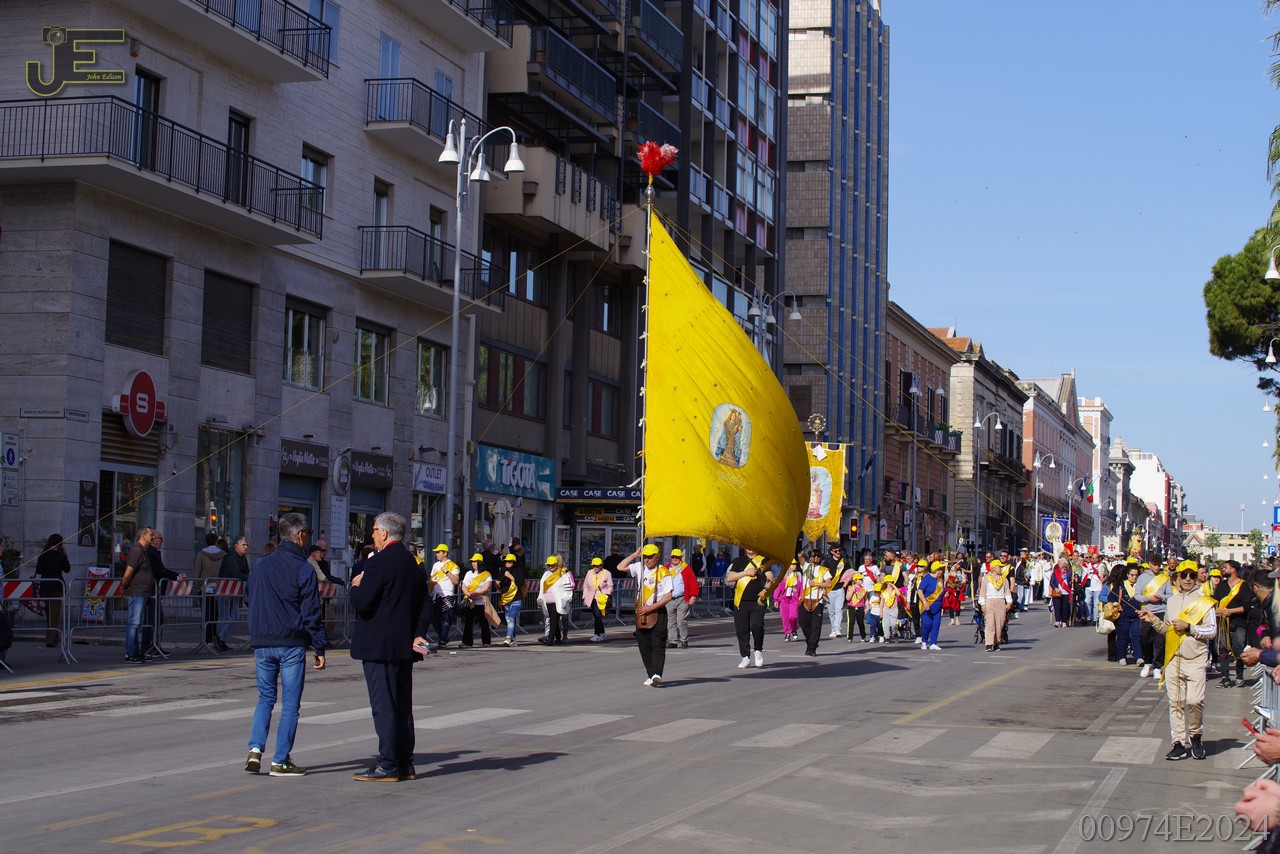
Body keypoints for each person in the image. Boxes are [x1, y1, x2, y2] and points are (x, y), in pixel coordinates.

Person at [244, 512, 327, 777]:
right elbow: (311, 612)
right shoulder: (303, 568)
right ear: (300, 536)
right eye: (308, 534)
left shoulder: (260, 564)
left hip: (262, 641)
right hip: (290, 641)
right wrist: (320, 647)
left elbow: (248, 597)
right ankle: (280, 760)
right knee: (290, 704)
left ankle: (255, 749)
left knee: (265, 698)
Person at [352, 511, 428, 782]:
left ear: (384, 533)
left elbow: (363, 602)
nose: (372, 534)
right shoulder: (412, 564)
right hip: (403, 645)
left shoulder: (378, 562)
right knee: (402, 705)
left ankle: (387, 763)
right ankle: (405, 762)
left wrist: (355, 586)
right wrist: (417, 634)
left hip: (378, 645)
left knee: (383, 705)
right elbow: (425, 605)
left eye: (374, 530)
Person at [1139, 562, 1216, 761]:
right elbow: (1167, 628)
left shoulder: (1205, 601)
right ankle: (1178, 742)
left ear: (1197, 578)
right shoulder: (1172, 602)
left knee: (1194, 701)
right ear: (1178, 578)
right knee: (1176, 703)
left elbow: (1212, 631)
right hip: (1174, 659)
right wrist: (1152, 619)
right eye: (1184, 575)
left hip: (1196, 659)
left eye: (1192, 575)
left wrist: (1190, 628)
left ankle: (1195, 735)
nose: (1188, 579)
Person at [618, 543, 683, 685]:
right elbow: (620, 567)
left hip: (658, 612)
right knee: (644, 645)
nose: (646, 560)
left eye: (649, 557)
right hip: (641, 612)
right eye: (645, 557)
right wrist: (635, 555)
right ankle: (651, 674)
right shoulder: (639, 567)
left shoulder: (664, 572)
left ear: (657, 557)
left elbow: (667, 596)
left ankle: (657, 674)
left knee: (657, 644)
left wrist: (651, 607)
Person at [727, 548, 773, 668]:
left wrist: (765, 590)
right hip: (740, 601)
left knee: (757, 626)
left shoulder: (763, 560)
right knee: (741, 629)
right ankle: (745, 657)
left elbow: (770, 577)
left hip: (757, 601)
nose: (749, 547)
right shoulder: (738, 561)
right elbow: (730, 578)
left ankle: (758, 650)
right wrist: (746, 573)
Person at [1214, 559, 1254, 688]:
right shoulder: (1221, 586)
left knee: (1238, 649)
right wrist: (1217, 610)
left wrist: (1231, 611)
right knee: (1223, 650)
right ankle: (1225, 678)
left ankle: (1239, 675)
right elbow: (1215, 601)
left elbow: (1246, 607)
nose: (1223, 569)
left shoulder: (1243, 586)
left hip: (1239, 623)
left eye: (1225, 567)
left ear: (1233, 570)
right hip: (1223, 624)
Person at [120, 527, 155, 664]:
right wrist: (123, 587)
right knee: (134, 623)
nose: (153, 537)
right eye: (151, 534)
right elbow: (128, 573)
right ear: (143, 536)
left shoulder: (143, 551)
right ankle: (130, 653)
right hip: (137, 592)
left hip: (142, 592)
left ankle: (136, 651)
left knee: (136, 623)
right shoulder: (136, 551)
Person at [1135, 561, 1171, 680]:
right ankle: (1148, 662)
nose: (1157, 567)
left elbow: (1170, 595)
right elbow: (1137, 595)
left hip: (1161, 611)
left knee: (1159, 641)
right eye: (1155, 564)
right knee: (1145, 639)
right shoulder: (1142, 577)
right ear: (1150, 564)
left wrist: (1162, 597)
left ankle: (1157, 666)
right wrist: (1148, 598)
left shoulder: (1164, 578)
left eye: (1158, 565)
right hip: (1146, 611)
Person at [34, 534, 70, 648]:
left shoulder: (43, 555)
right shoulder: (60, 555)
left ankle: (55, 639)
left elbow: (39, 571)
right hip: (57, 587)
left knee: (49, 614)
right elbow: (67, 569)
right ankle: (50, 640)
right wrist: (65, 556)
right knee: (54, 614)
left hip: (45, 587)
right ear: (60, 543)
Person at [194, 532, 227, 648]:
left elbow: (197, 570)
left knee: (206, 615)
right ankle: (214, 637)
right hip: (218, 587)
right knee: (215, 614)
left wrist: (196, 585)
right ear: (216, 541)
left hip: (205, 587)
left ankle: (207, 639)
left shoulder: (201, 554)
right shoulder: (223, 554)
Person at [217, 536, 250, 650]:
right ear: (236, 546)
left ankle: (220, 637)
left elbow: (246, 572)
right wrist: (249, 577)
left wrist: (248, 576)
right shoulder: (230, 557)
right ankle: (220, 640)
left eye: (247, 545)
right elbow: (237, 573)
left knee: (235, 615)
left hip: (234, 590)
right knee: (224, 616)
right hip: (225, 590)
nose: (246, 547)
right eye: (243, 545)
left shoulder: (243, 558)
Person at [797, 555, 832, 656]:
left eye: (818, 556)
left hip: (817, 600)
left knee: (816, 626)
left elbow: (828, 584)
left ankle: (812, 648)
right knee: (803, 622)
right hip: (805, 599)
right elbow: (799, 555)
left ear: (820, 558)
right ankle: (810, 641)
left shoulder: (823, 570)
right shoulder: (806, 566)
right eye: (813, 556)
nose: (815, 558)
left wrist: (816, 584)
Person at [665, 548, 699, 648]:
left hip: (682, 598)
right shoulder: (666, 568)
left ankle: (684, 639)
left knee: (681, 620)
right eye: (673, 557)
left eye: (677, 557)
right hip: (669, 599)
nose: (675, 559)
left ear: (680, 558)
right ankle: (672, 641)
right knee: (670, 621)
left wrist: (693, 596)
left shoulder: (686, 569)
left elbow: (693, 583)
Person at [976, 558, 1012, 652]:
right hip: (990, 601)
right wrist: (982, 604)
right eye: (999, 567)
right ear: (994, 568)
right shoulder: (987, 578)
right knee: (990, 623)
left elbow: (1007, 591)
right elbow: (983, 592)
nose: (1001, 568)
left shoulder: (1004, 579)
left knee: (999, 624)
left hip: (1000, 601)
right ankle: (989, 643)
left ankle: (996, 642)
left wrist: (1009, 602)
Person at [537, 555, 574, 645]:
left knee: (554, 620)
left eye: (552, 565)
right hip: (547, 601)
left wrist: (566, 599)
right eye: (549, 565)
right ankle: (558, 638)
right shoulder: (546, 574)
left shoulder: (563, 574)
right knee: (553, 619)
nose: (550, 567)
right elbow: (542, 588)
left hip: (558, 601)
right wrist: (540, 598)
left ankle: (550, 639)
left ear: (556, 564)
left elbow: (568, 588)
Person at [428, 545, 460, 648]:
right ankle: (443, 637)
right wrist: (429, 594)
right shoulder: (435, 565)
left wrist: (446, 571)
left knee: (446, 618)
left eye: (439, 552)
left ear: (445, 553)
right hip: (436, 595)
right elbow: (432, 581)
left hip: (447, 595)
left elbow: (456, 581)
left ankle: (442, 641)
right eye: (436, 552)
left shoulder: (453, 565)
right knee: (434, 618)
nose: (436, 554)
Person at [459, 552, 493, 648]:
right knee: (468, 621)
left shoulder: (486, 574)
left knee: (483, 621)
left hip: (481, 601)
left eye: (475, 561)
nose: (473, 563)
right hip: (470, 600)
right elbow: (464, 586)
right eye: (472, 562)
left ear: (480, 562)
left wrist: (476, 593)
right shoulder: (469, 573)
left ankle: (486, 641)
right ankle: (467, 642)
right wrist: (468, 594)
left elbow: (486, 587)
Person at [1113, 563, 1144, 666]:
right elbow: (1111, 597)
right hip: (1123, 615)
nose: (1134, 577)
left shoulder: (1140, 585)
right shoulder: (1120, 585)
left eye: (1136, 575)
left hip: (1136, 616)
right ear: (1127, 575)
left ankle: (1139, 657)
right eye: (1132, 575)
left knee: (1136, 636)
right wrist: (1116, 603)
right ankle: (1121, 657)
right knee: (1123, 636)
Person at [582, 556, 613, 643]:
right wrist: (585, 596)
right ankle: (602, 633)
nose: (595, 568)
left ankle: (597, 634)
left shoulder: (607, 573)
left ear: (601, 565)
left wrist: (607, 594)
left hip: (601, 597)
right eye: (593, 566)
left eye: (597, 566)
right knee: (596, 616)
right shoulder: (589, 572)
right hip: (591, 597)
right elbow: (585, 585)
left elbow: (610, 585)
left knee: (597, 615)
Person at [498, 553, 526, 647]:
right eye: (506, 561)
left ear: (514, 562)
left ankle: (508, 637)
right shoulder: (503, 570)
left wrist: (510, 577)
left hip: (516, 598)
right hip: (505, 598)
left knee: (511, 618)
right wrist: (497, 585)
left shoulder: (519, 571)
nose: (507, 563)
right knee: (509, 620)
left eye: (509, 562)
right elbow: (498, 582)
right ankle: (513, 640)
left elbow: (519, 583)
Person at [822, 545, 849, 638]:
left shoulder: (844, 561)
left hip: (840, 589)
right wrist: (823, 588)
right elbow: (822, 574)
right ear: (832, 552)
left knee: (839, 610)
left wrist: (844, 586)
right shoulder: (827, 561)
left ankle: (837, 629)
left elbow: (849, 574)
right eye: (836, 551)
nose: (838, 552)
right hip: (829, 590)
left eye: (839, 550)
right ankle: (833, 628)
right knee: (831, 611)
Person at [918, 560, 945, 650]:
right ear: (936, 570)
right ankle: (924, 641)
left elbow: (941, 592)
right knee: (927, 623)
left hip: (937, 606)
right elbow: (920, 591)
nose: (942, 571)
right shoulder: (927, 578)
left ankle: (933, 643)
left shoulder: (940, 579)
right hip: (926, 606)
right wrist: (924, 602)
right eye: (940, 569)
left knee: (936, 624)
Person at [774, 560, 802, 641]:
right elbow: (778, 588)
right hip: (784, 598)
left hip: (794, 599)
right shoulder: (783, 576)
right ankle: (787, 633)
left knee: (793, 617)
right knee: (785, 617)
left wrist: (800, 596)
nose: (794, 566)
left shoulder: (799, 575)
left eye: (795, 564)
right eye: (792, 564)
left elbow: (801, 587)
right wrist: (776, 600)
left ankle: (794, 630)